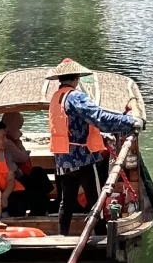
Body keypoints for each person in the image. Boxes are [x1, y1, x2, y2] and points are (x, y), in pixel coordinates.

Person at [46, 57, 143, 236]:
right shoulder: (75, 96)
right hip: (84, 159)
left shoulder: (55, 98)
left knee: (66, 202)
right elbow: (100, 118)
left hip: (63, 159)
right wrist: (129, 121)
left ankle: (63, 235)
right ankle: (100, 236)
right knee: (96, 200)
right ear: (76, 78)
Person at [0, 110, 52, 215]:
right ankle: (44, 207)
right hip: (14, 180)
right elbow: (22, 157)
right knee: (37, 179)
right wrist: (18, 142)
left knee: (38, 172)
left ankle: (47, 200)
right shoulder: (8, 142)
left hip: (18, 175)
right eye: (18, 127)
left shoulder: (10, 140)